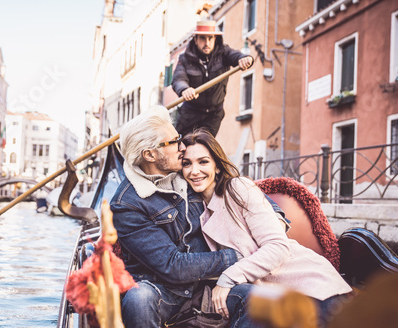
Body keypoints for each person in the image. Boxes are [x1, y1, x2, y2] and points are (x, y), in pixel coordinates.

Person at [109, 106, 286, 328]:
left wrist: (276, 219)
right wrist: (236, 256)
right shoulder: (127, 205)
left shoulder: (189, 174)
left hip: (211, 285)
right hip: (166, 292)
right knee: (139, 298)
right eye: (173, 142)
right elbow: (172, 266)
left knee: (256, 299)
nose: (182, 147)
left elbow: (236, 186)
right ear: (150, 154)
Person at [181, 129, 354, 327]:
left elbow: (277, 246)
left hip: (308, 285)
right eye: (187, 163)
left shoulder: (238, 188)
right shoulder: (193, 209)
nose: (194, 171)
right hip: (268, 296)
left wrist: (227, 278)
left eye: (203, 162)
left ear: (218, 166)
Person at [171, 20, 254, 137]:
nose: (207, 43)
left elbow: (236, 56)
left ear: (215, 39)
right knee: (178, 143)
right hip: (190, 112)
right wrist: (185, 89)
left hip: (213, 115)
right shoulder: (185, 58)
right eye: (202, 38)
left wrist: (245, 58)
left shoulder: (223, 52)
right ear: (195, 39)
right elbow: (178, 78)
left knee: (205, 146)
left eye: (210, 38)